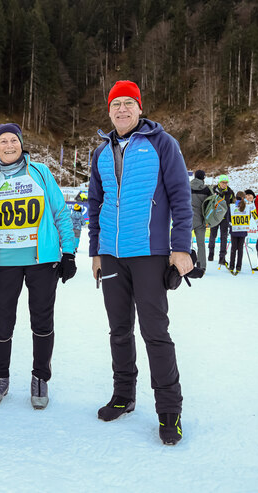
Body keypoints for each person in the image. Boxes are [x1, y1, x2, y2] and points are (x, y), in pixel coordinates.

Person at [88, 80, 192, 446]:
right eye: (116, 104)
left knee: (155, 332)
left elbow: (180, 196)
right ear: (109, 111)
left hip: (149, 253)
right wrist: (96, 251)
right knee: (119, 330)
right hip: (112, 255)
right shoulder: (101, 151)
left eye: (128, 103)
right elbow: (95, 203)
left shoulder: (162, 143)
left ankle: (169, 410)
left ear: (139, 108)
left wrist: (181, 248)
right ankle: (123, 395)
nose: (122, 109)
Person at [0, 123, 77, 410]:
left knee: (42, 321)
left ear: (21, 144)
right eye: (3, 141)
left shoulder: (40, 172)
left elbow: (60, 212)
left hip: (41, 260)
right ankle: (0, 377)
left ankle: (40, 377)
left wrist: (68, 252)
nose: (9, 146)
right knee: (2, 322)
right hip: (4, 261)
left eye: (13, 140)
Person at [208, 174, 234, 265]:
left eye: (226, 183)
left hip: (224, 218)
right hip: (214, 217)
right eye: (223, 182)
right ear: (219, 183)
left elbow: (232, 204)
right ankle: (211, 254)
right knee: (212, 236)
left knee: (224, 237)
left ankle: (222, 257)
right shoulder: (213, 190)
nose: (224, 184)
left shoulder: (230, 192)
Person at [190, 170, 212, 272]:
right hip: (201, 220)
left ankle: (186, 264)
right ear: (203, 178)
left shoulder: (187, 187)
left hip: (188, 220)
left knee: (185, 243)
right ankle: (201, 266)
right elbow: (211, 206)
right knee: (201, 244)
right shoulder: (206, 189)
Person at [226, 191, 252, 275]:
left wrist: (231, 224)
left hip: (234, 230)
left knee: (233, 249)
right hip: (242, 230)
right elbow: (248, 218)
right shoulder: (247, 207)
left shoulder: (232, 207)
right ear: (243, 198)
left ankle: (231, 266)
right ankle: (238, 266)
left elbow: (228, 218)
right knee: (240, 249)